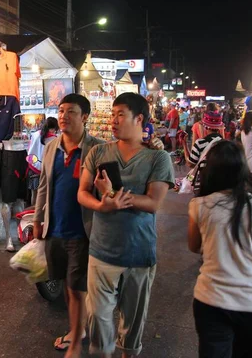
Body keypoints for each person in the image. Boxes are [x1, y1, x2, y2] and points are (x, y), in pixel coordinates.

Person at [77, 93, 174, 358]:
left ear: (139, 118)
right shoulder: (99, 152)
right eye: (112, 114)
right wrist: (101, 205)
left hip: (139, 253)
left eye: (120, 114)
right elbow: (82, 192)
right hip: (102, 251)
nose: (113, 120)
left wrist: (112, 194)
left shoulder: (158, 158)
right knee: (97, 316)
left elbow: (154, 202)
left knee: (132, 323)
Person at [187, 140, 252, 357]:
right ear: (243, 170)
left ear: (211, 171)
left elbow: (194, 246)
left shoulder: (199, 206)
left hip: (211, 300)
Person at [32, 94, 103, 358]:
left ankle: (77, 335)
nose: (63, 116)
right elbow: (43, 186)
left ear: (84, 116)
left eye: (70, 111)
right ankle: (79, 326)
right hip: (55, 228)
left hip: (82, 230)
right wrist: (38, 219)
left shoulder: (98, 148)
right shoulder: (51, 147)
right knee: (64, 282)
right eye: (61, 111)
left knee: (76, 286)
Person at [26, 116, 59, 203]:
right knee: (45, 195)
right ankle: (43, 215)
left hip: (33, 168)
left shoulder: (35, 134)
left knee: (34, 194)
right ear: (54, 128)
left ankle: (33, 214)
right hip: (46, 170)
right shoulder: (54, 139)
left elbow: (29, 150)